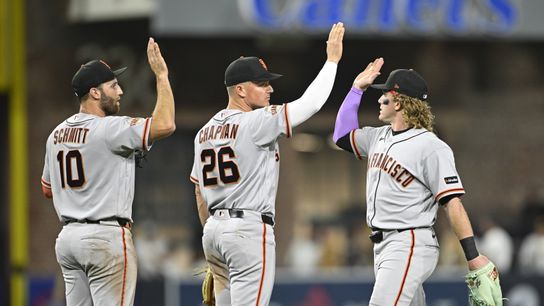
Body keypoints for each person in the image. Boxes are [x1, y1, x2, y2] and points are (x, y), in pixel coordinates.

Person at [190, 22, 344, 306]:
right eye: (261, 83)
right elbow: (310, 104)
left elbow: (199, 192)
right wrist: (332, 61)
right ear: (240, 90)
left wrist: (213, 234)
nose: (270, 88)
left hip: (213, 232)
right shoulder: (255, 122)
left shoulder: (204, 132)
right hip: (247, 231)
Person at [332, 58, 499, 305]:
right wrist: (356, 89)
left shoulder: (431, 146)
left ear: (399, 102)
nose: (379, 100)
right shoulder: (378, 136)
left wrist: (472, 256)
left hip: (409, 242)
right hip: (383, 245)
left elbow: (453, 204)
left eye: (385, 96)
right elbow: (341, 136)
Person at [40, 37, 175, 306]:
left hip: (69, 239)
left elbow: (47, 189)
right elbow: (165, 124)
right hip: (105, 238)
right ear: (95, 93)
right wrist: (161, 75)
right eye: (113, 85)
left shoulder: (55, 135)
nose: (121, 91)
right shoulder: (110, 129)